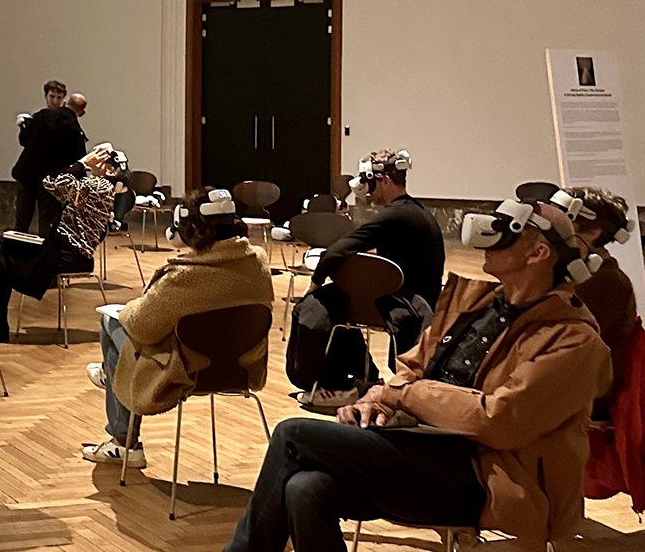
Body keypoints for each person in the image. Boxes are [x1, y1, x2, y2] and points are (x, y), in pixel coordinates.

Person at [225, 195, 612, 552]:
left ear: (538, 253)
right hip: (426, 448)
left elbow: (499, 421)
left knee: (292, 434)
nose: (488, 241)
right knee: (305, 487)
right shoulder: (478, 302)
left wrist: (402, 396)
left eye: (505, 234)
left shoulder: (575, 341)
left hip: (488, 478)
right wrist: (377, 402)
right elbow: (412, 367)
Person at [81, 188, 272, 467]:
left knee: (111, 321)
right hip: (243, 366)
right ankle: (110, 375)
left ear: (188, 228)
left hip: (185, 370)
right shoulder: (257, 261)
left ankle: (124, 442)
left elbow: (143, 327)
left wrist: (131, 308)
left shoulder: (183, 277)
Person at [288, 148, 443, 400]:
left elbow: (336, 251)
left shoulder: (394, 215)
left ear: (385, 180)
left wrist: (314, 283)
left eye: (371, 185)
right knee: (340, 303)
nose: (368, 193)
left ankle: (335, 384)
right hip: (417, 303)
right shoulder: (418, 213)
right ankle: (365, 375)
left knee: (315, 304)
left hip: (400, 304)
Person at [0, 142, 118, 342]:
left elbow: (52, 181)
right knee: (1, 248)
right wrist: (82, 167)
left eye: (100, 158)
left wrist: (82, 163)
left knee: (1, 253)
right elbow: (52, 185)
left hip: (68, 254)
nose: (95, 160)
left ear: (110, 169)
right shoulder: (93, 186)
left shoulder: (98, 187)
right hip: (61, 249)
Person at [566, 185, 637, 421]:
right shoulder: (583, 274)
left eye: (563, 223)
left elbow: (567, 347)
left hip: (585, 401)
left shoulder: (605, 282)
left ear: (593, 232)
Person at [10, 91, 88, 237]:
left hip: (27, 175)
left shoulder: (42, 115)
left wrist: (23, 126)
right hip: (49, 181)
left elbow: (24, 140)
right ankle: (44, 251)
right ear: (82, 113)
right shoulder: (75, 130)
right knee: (47, 225)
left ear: (65, 102)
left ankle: (16, 250)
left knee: (21, 221)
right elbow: (78, 162)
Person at [12, 80, 69, 232]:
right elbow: (24, 141)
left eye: (59, 97)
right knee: (22, 219)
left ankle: (44, 248)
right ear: (46, 97)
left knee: (47, 222)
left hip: (49, 178)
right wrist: (23, 127)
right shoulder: (39, 117)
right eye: (52, 96)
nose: (55, 101)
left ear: (64, 99)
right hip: (29, 176)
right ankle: (18, 247)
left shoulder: (65, 121)